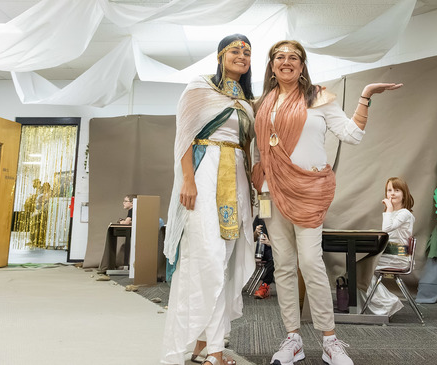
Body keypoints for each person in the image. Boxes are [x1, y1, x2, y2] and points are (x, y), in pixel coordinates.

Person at [252, 39, 402, 365]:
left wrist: (366, 96)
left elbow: (352, 135)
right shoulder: (262, 103)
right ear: (272, 65)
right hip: (271, 193)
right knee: (285, 265)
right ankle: (292, 338)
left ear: (302, 65)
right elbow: (258, 149)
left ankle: (330, 339)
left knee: (310, 261)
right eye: (280, 57)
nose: (286, 62)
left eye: (294, 57)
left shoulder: (318, 97)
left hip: (308, 190)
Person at [161, 35, 256, 365]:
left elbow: (248, 146)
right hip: (204, 176)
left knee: (223, 264)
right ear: (220, 56)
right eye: (235, 50)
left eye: (246, 52)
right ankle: (192, 343)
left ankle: (210, 345)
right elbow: (184, 135)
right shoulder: (200, 87)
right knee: (205, 260)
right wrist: (188, 178)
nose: (241, 55)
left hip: (237, 180)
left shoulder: (247, 100)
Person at [358, 177, 415, 317]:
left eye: (397, 190)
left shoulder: (405, 213)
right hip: (389, 255)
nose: (392, 193)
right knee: (357, 270)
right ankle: (371, 307)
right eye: (389, 190)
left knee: (360, 271)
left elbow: (387, 229)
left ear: (404, 194)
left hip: (398, 257)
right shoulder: (395, 214)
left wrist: (388, 208)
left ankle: (389, 303)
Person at [252, 216, 274, 299]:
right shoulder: (259, 217)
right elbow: (253, 239)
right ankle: (264, 286)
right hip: (261, 250)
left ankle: (265, 285)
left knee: (273, 258)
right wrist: (255, 232)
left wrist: (270, 243)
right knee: (273, 258)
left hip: (274, 250)